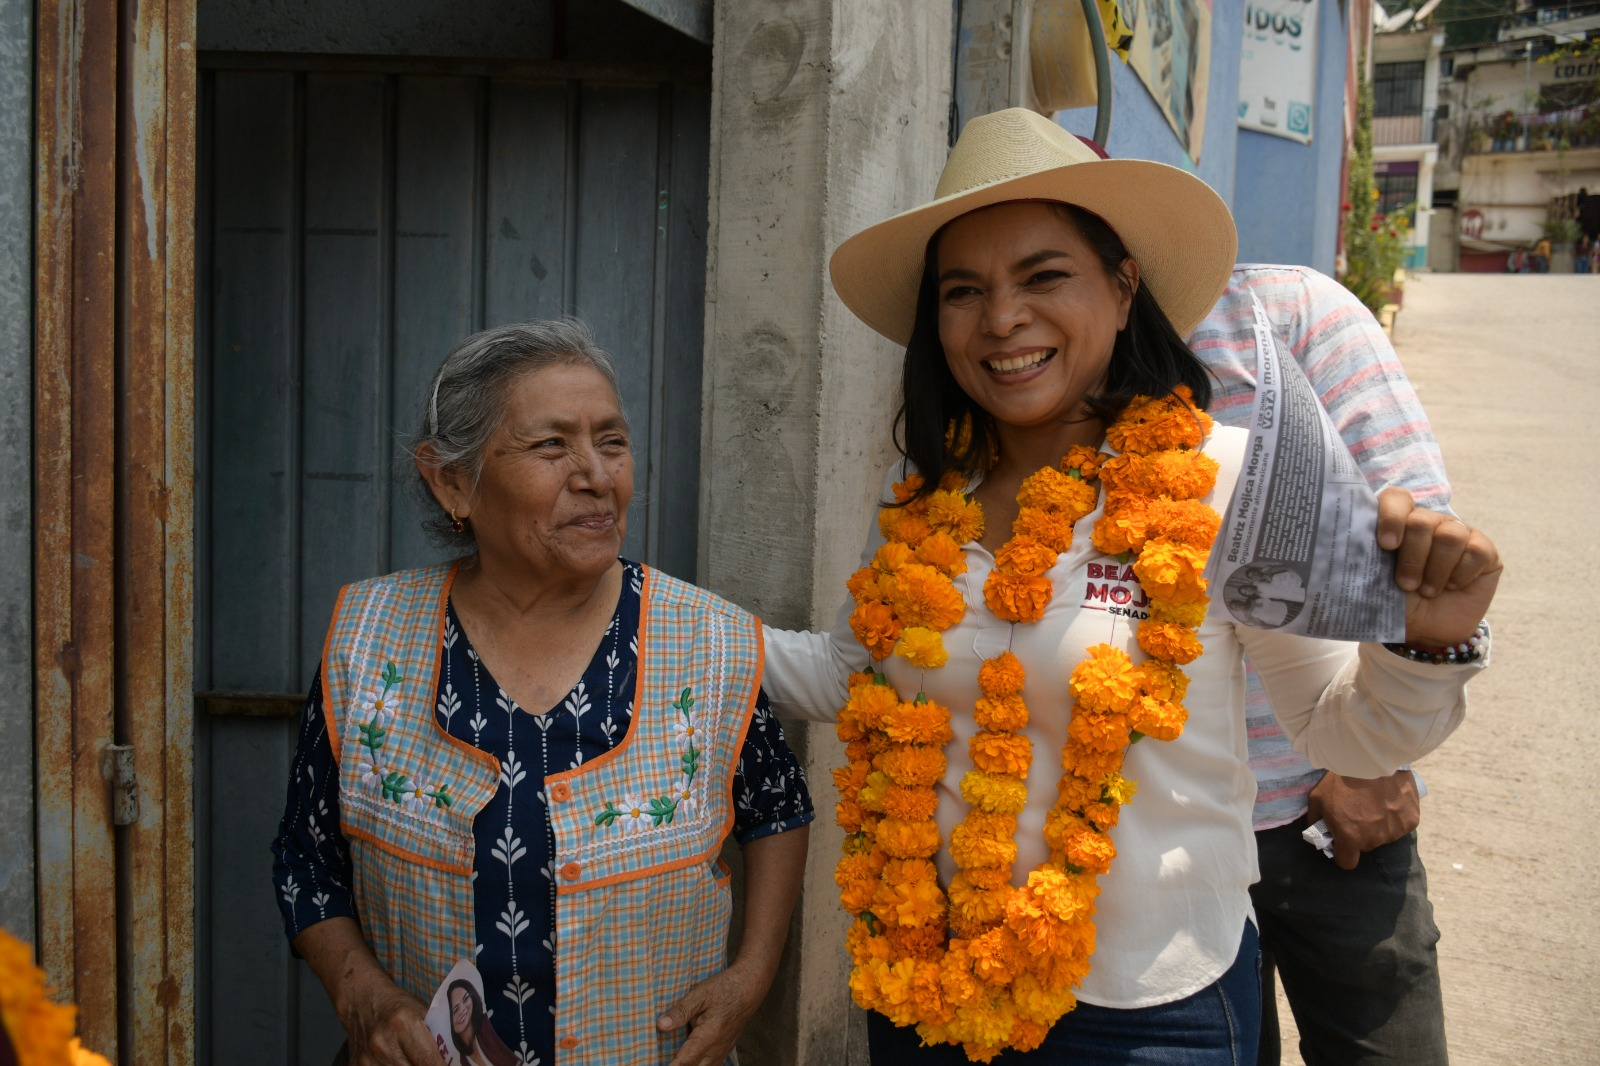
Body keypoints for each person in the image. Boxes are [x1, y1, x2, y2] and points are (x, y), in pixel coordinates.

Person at [760, 108, 1499, 1064]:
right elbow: (850, 672)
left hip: (1155, 1012)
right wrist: (645, 616)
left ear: (1122, 288)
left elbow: (1339, 726)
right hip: (931, 994)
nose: (1001, 320)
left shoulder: (1224, 480)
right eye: (963, 290)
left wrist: (1426, 646)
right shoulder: (921, 504)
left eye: (1044, 276)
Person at [271, 320, 814, 1066]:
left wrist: (752, 975)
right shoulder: (367, 638)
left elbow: (777, 806)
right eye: (552, 445)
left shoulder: (709, 641)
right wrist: (362, 996)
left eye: (612, 441)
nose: (596, 474)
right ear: (452, 481)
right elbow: (306, 860)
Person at [1191, 262, 1458, 1065]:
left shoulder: (1280, 314)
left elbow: (1416, 531)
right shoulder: (1033, 367)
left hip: (1322, 809)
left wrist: (1372, 767)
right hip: (1163, 837)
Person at [447, 981, 516, 1066]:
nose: (462, 1009)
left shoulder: (487, 1025)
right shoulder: (462, 1060)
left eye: (466, 999)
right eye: (456, 1009)